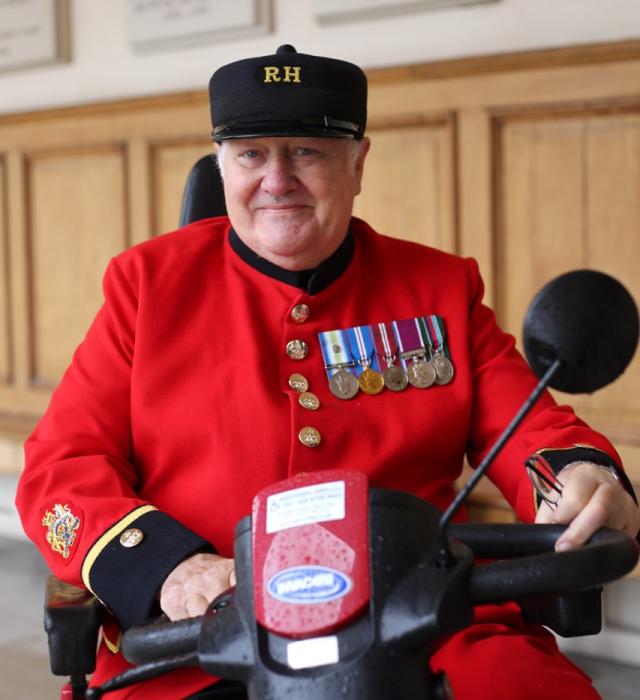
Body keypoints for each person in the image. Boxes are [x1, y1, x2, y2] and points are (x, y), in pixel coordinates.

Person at [16, 44, 640, 700]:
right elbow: (60, 470)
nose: (277, 178)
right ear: (222, 163)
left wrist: (577, 475)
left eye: (307, 152)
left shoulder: (439, 288)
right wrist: (168, 569)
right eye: (252, 154)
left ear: (358, 161)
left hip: (419, 619)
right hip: (206, 636)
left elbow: (529, 425)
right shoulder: (147, 287)